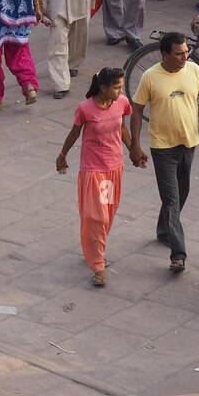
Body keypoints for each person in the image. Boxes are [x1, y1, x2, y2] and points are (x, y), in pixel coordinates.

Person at [129, 32, 199, 273]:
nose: (185, 56)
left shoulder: (193, 70)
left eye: (186, 52)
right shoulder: (150, 77)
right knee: (171, 200)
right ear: (165, 54)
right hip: (162, 148)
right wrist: (135, 145)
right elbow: (137, 110)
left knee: (181, 194)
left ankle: (164, 231)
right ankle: (178, 254)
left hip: (188, 143)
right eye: (179, 53)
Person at [56, 68, 133, 286]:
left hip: (113, 169)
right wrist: (62, 155)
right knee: (96, 217)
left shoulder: (122, 103)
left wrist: (133, 150)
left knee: (106, 215)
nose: (120, 91)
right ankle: (98, 265)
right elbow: (74, 133)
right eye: (117, 87)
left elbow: (122, 130)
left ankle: (93, 247)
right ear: (103, 88)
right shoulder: (85, 109)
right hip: (93, 171)